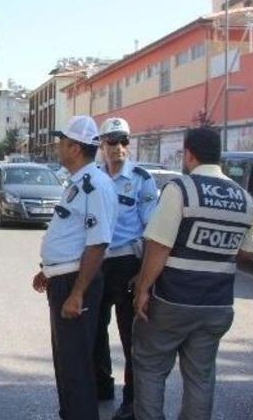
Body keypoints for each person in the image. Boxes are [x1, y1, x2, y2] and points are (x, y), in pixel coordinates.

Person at [131, 127, 253, 420]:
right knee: (201, 378)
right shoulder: (246, 199)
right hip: (217, 304)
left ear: (188, 154)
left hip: (173, 301)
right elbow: (248, 249)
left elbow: (158, 246)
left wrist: (142, 290)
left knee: (150, 369)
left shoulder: (181, 189)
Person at [32, 115, 118, 420]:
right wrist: (49, 270)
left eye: (62, 142)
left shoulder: (94, 185)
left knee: (76, 366)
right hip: (64, 280)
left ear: (74, 147)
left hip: (75, 284)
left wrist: (78, 293)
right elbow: (72, 235)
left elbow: (98, 244)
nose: (58, 147)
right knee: (67, 364)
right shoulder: (79, 183)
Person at [93, 117, 158, 420]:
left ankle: (131, 401)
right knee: (93, 330)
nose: (119, 148)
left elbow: (152, 228)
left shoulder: (142, 179)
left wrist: (143, 273)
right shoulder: (92, 177)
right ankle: (101, 385)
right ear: (101, 145)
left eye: (124, 142)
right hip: (96, 263)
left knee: (131, 338)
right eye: (112, 142)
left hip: (127, 264)